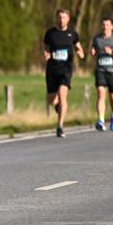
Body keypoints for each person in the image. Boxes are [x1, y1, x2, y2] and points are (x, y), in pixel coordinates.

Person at [42, 9, 84, 138]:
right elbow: (45, 47)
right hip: (52, 70)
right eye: (60, 17)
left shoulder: (72, 34)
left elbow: (79, 47)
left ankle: (60, 126)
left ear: (68, 19)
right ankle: (59, 108)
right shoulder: (50, 33)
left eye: (64, 17)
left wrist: (80, 53)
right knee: (51, 100)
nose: (61, 20)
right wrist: (46, 53)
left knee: (62, 96)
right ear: (56, 18)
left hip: (65, 70)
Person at [89, 17, 113, 131]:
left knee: (112, 96)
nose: (105, 27)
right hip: (100, 70)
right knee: (101, 93)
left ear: (111, 27)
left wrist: (112, 52)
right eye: (103, 25)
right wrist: (93, 51)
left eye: (107, 25)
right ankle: (101, 120)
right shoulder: (97, 39)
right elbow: (93, 49)